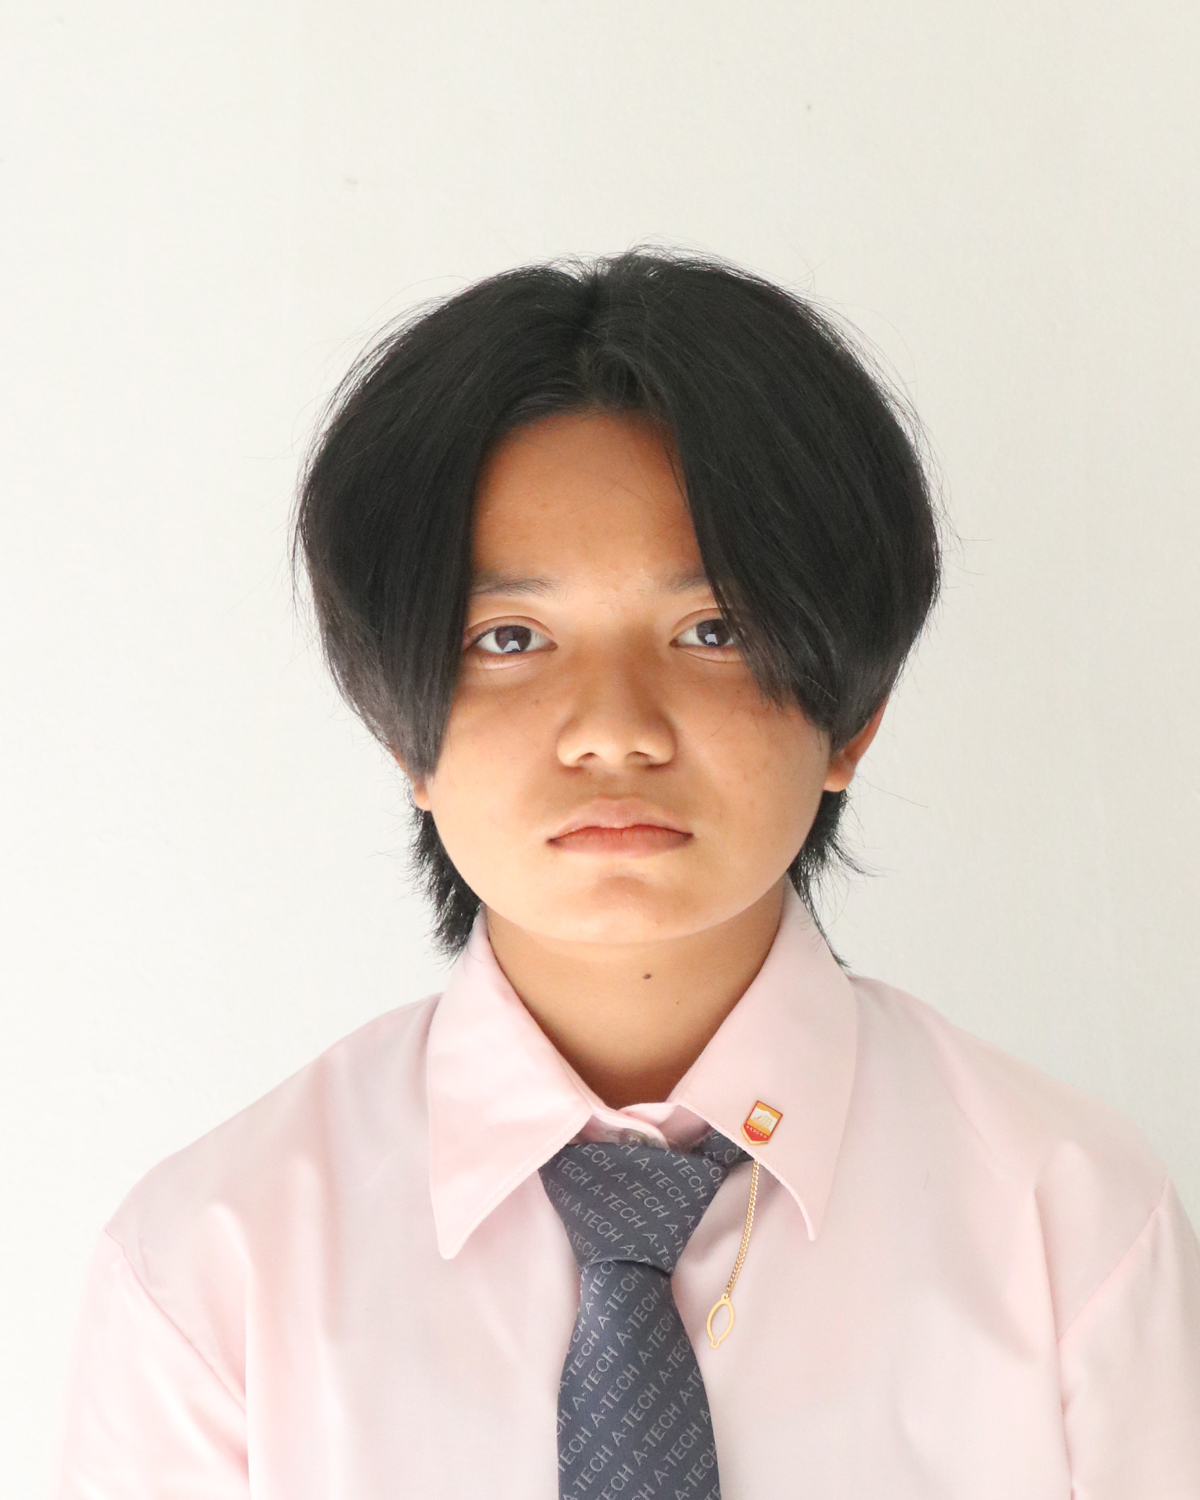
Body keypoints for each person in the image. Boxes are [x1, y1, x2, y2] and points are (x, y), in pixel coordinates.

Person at [53, 251, 1200, 1499]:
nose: (613, 729)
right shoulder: (211, 1272)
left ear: (853, 719)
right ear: (402, 733)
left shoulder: (1069, 1224)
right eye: (509, 638)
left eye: (714, 631)